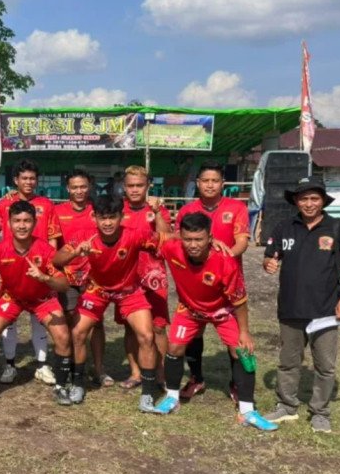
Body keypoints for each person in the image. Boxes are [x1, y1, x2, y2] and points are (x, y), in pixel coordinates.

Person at [150, 212, 277, 431]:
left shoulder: (225, 261)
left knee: (242, 352)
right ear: (180, 237)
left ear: (210, 238)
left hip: (222, 312)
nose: (193, 245)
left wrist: (244, 332)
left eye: (199, 239)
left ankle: (247, 411)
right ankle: (172, 397)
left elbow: (240, 301)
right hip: (190, 310)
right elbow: (152, 237)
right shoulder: (172, 248)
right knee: (174, 347)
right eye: (188, 239)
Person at [262, 177, 340, 433]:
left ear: (323, 201)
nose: (309, 203)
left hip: (325, 311)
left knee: (325, 366)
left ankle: (320, 412)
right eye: (303, 198)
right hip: (290, 308)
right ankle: (286, 406)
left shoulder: (339, 228)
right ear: (296, 201)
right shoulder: (284, 227)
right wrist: (269, 264)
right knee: (288, 362)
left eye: (314, 198)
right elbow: (270, 257)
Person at [55, 194, 165, 412]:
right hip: (97, 290)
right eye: (102, 218)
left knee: (147, 335)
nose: (107, 223)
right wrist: (75, 252)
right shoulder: (84, 236)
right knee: (78, 333)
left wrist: (211, 243)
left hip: (129, 291)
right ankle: (78, 384)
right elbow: (56, 260)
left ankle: (148, 393)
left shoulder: (135, 234)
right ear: (94, 218)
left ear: (121, 217)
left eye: (112, 217)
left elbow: (167, 239)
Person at [0, 200, 74, 405]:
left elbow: (64, 285)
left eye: (27, 221)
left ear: (34, 223)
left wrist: (44, 278)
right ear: (9, 223)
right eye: (17, 221)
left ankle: (60, 387)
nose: (22, 225)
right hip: (11, 298)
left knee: (63, 336)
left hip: (42, 299)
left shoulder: (45, 250)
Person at [175, 161, 249, 402]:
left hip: (228, 282)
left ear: (222, 184)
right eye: (205, 181)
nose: (210, 185)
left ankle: (236, 384)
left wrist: (224, 258)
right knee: (194, 333)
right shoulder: (187, 210)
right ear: (197, 183)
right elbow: (178, 242)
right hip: (195, 282)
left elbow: (242, 241)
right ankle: (196, 378)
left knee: (234, 337)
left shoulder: (236, 207)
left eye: (215, 181)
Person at [0, 159, 62, 385]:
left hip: (40, 267)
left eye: (32, 178)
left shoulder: (46, 204)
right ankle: (10, 365)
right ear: (16, 180)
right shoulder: (4, 204)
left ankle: (42, 365)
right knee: (8, 320)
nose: (29, 182)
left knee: (39, 319)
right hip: (13, 268)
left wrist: (52, 267)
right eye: (24, 178)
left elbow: (53, 237)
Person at [118, 166, 172, 389]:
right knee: (130, 328)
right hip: (126, 277)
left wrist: (157, 212)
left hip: (154, 275)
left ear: (148, 186)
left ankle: (161, 374)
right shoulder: (118, 210)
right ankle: (136, 372)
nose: (134, 190)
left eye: (139, 185)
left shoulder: (158, 209)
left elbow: (167, 238)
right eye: (130, 185)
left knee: (158, 327)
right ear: (124, 187)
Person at [55, 169, 107, 393]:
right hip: (68, 276)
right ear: (68, 188)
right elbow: (54, 247)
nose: (79, 191)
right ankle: (72, 366)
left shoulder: (98, 211)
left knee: (97, 322)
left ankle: (99, 369)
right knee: (70, 321)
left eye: (83, 186)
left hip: (94, 277)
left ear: (90, 186)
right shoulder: (57, 212)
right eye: (74, 187)